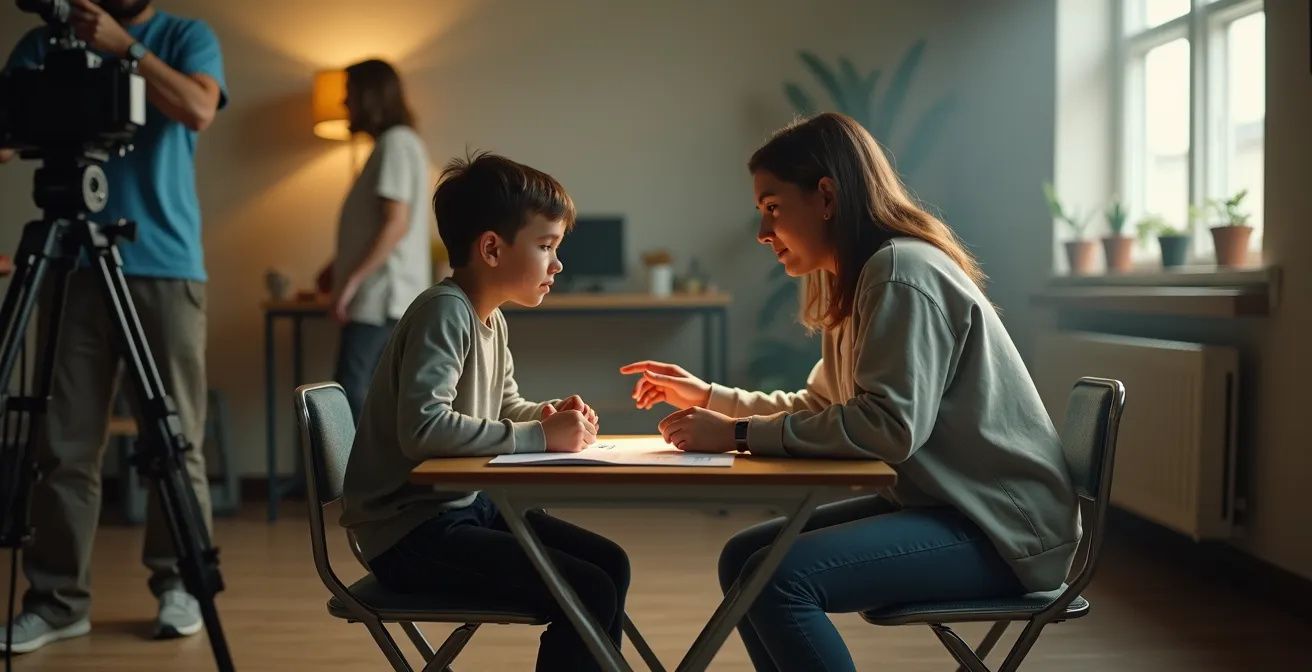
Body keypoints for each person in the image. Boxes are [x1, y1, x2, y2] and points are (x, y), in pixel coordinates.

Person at [621, 112, 1080, 672]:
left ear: (826, 196)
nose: (763, 233)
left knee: (777, 581)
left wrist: (737, 434)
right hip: (952, 507)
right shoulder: (864, 276)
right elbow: (820, 408)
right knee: (746, 559)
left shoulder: (898, 273)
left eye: (772, 208)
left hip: (1003, 530)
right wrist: (710, 397)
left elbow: (888, 429)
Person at [339, 151, 630, 672]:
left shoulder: (489, 319)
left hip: (464, 509)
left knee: (610, 565)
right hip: (411, 533)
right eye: (546, 247)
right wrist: (540, 437)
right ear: (492, 248)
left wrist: (545, 414)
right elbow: (424, 429)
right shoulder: (444, 312)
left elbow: (503, 405)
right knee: (588, 588)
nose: (558, 264)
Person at [0, 0, 227, 654]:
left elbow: (199, 109)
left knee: (174, 437)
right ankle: (55, 600)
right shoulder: (45, 43)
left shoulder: (186, 36)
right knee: (63, 446)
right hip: (68, 263)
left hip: (164, 262)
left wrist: (124, 46)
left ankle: (180, 583)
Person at [315, 59, 432, 422]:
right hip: (385, 296)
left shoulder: (395, 144)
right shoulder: (396, 144)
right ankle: (378, 478)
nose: (344, 104)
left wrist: (350, 281)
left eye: (349, 94)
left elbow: (395, 225)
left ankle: (356, 479)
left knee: (348, 390)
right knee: (373, 396)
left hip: (381, 298)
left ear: (370, 96)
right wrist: (337, 268)